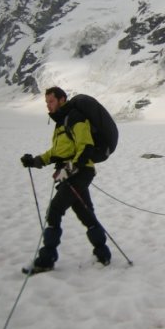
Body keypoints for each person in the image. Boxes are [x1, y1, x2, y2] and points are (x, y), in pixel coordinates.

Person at [20, 86, 111, 274]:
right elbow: (57, 152)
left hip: (80, 173)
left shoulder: (75, 118)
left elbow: (85, 147)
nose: (48, 106)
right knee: (86, 214)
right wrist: (35, 161)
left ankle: (46, 260)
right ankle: (103, 254)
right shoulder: (61, 123)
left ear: (62, 100)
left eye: (51, 101)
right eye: (46, 102)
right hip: (73, 173)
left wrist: (69, 171)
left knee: (54, 211)